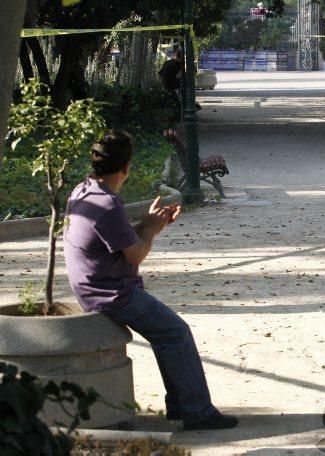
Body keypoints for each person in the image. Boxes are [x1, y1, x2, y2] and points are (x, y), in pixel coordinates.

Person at [63, 130, 238, 430]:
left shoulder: (83, 191)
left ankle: (183, 406)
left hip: (92, 283)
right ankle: (197, 411)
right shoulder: (106, 203)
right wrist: (151, 230)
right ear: (127, 167)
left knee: (167, 334)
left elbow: (114, 236)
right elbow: (135, 255)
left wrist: (146, 222)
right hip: (109, 292)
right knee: (175, 331)